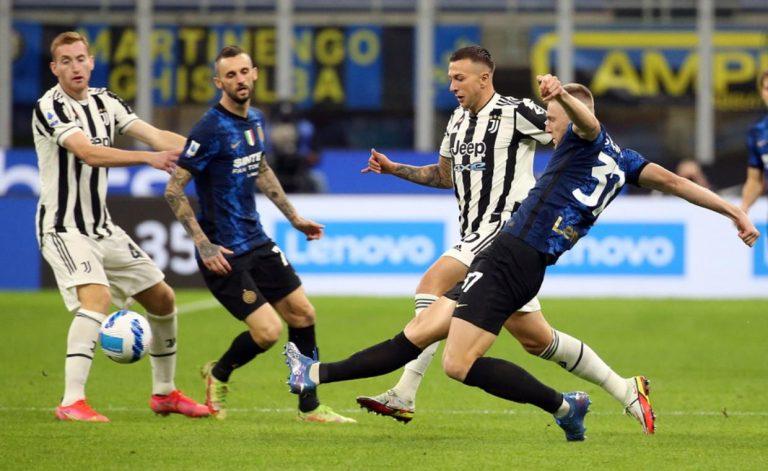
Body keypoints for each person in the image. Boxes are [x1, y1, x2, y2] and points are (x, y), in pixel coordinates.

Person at [284, 75, 759, 440]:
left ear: (572, 117)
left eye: (552, 119)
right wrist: (733, 210)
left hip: (510, 256)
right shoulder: (626, 159)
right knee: (435, 332)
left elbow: (589, 124)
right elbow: (676, 183)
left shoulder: (583, 138)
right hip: (519, 262)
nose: (547, 128)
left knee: (454, 360)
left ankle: (564, 405)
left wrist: (562, 94)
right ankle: (320, 374)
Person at [356, 45, 654, 435]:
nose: (452, 86)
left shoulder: (517, 112)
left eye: (459, 78)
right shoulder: (457, 121)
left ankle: (405, 391)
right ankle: (622, 388)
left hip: (507, 230)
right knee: (538, 340)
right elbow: (444, 176)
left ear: (484, 78)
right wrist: (396, 169)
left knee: (432, 284)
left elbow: (570, 132)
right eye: (450, 78)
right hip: (480, 238)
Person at [164, 45, 352, 423]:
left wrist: (294, 217)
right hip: (224, 253)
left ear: (255, 74)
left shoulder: (256, 120)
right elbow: (173, 189)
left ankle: (309, 406)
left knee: (303, 314)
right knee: (267, 332)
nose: (239, 80)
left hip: (258, 240)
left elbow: (261, 168)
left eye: (244, 72)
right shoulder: (209, 129)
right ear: (219, 82)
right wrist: (203, 244)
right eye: (230, 75)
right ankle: (219, 373)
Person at [33, 31, 209, 422]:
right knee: (95, 298)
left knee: (162, 298)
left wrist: (206, 151)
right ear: (54, 68)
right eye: (66, 61)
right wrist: (148, 159)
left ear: (91, 62)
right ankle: (71, 402)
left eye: (81, 58)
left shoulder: (105, 101)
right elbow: (88, 153)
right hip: (63, 227)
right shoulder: (50, 106)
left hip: (102, 227)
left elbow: (156, 135)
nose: (75, 67)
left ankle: (164, 393)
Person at [740, 69, 768, 215]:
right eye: (767, 89)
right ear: (762, 93)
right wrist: (743, 208)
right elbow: (755, 181)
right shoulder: (757, 132)